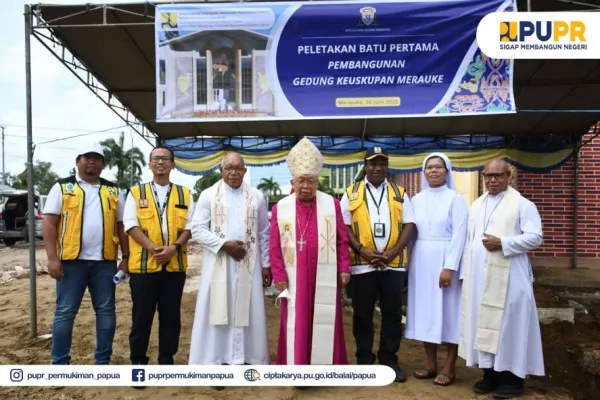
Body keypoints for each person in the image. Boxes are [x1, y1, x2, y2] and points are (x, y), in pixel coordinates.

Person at [458, 158, 545, 399]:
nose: (492, 180)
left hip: (510, 278)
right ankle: (490, 375)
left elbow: (535, 237)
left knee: (508, 327)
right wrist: (466, 273)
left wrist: (503, 243)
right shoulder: (476, 204)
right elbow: (469, 241)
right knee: (481, 323)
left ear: (509, 177)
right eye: (488, 176)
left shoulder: (523, 205)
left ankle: (512, 380)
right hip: (479, 279)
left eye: (498, 176)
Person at [188, 152, 271, 389]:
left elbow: (264, 232)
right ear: (221, 170)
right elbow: (197, 230)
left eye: (238, 168)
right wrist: (225, 245)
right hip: (219, 265)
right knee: (218, 311)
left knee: (248, 311)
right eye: (229, 168)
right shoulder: (208, 196)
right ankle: (217, 362)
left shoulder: (256, 196)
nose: (234, 172)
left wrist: (266, 264)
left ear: (245, 171)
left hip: (249, 265)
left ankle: (245, 360)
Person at [43, 143, 128, 365]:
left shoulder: (113, 190)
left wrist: (125, 258)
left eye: (97, 158)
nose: (92, 162)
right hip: (71, 263)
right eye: (86, 157)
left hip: (105, 262)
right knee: (65, 312)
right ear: (77, 161)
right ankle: (60, 365)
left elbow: (122, 225)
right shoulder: (62, 187)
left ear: (103, 164)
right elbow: (50, 224)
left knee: (106, 312)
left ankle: (102, 363)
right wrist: (52, 258)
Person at [270, 137, 351, 366]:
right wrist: (279, 274)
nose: (306, 186)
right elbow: (275, 245)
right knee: (296, 320)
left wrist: (344, 268)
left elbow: (342, 241)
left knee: (326, 318)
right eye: (301, 180)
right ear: (292, 182)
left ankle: (326, 367)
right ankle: (297, 366)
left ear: (318, 182)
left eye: (311, 181)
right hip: (294, 275)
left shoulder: (331, 204)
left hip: (324, 272)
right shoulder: (281, 208)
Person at [340, 146, 415, 383]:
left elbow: (409, 225)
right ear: (365, 167)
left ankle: (389, 360)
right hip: (363, 265)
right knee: (362, 313)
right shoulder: (350, 193)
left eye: (382, 164)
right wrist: (363, 251)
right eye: (373, 164)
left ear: (387, 167)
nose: (377, 168)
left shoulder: (400, 193)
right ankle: (364, 360)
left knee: (392, 314)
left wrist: (392, 253)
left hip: (393, 265)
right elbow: (345, 228)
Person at [123, 145, 194, 369]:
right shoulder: (136, 192)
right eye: (156, 159)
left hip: (175, 266)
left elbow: (192, 226)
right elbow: (130, 225)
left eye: (165, 159)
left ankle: (166, 360)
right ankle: (138, 361)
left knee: (171, 317)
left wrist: (174, 248)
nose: (160, 162)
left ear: (173, 164)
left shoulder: (185, 193)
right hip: (143, 267)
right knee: (141, 317)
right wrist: (153, 248)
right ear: (149, 164)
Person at [405, 152, 469, 386]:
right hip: (421, 262)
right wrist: (407, 263)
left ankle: (449, 366)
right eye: (429, 167)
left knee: (449, 312)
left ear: (447, 171)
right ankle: (431, 364)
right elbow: (411, 234)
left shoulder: (456, 199)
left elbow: (460, 235)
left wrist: (449, 267)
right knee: (426, 312)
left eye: (438, 167)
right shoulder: (416, 199)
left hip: (445, 260)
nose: (433, 171)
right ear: (424, 172)